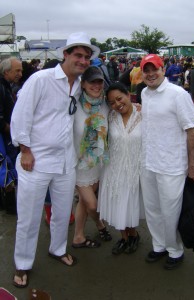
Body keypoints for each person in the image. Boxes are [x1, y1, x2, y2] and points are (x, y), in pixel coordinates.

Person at [11, 32, 100, 288]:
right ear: (66, 54)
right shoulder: (41, 79)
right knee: (28, 217)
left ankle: (58, 249)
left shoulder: (80, 84)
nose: (82, 60)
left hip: (65, 161)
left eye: (86, 57)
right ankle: (23, 263)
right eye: (78, 55)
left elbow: (98, 101)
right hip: (36, 161)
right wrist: (25, 150)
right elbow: (21, 116)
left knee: (63, 211)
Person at [140, 54, 194, 270]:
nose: (150, 74)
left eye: (154, 69)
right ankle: (159, 245)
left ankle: (175, 249)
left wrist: (191, 164)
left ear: (163, 69)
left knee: (170, 211)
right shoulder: (145, 93)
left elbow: (191, 130)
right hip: (148, 161)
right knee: (152, 209)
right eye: (146, 70)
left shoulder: (177, 94)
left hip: (172, 164)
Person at [98, 82, 143, 255]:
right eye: (112, 102)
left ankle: (133, 235)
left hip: (134, 170)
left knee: (129, 205)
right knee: (117, 205)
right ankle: (124, 237)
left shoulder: (144, 114)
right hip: (114, 170)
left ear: (128, 94)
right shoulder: (110, 116)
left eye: (119, 98)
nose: (117, 104)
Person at [72, 66, 112, 249]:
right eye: (92, 82)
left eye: (99, 81)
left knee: (83, 201)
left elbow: (123, 106)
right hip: (78, 163)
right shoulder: (73, 104)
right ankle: (100, 224)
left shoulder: (106, 104)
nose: (96, 86)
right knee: (92, 204)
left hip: (98, 161)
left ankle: (78, 237)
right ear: (83, 84)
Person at [0, 57, 22, 214]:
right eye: (17, 71)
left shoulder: (6, 86)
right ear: (6, 72)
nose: (20, 74)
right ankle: (10, 207)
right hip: (3, 137)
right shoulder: (1, 87)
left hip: (6, 136)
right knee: (6, 168)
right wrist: (14, 131)